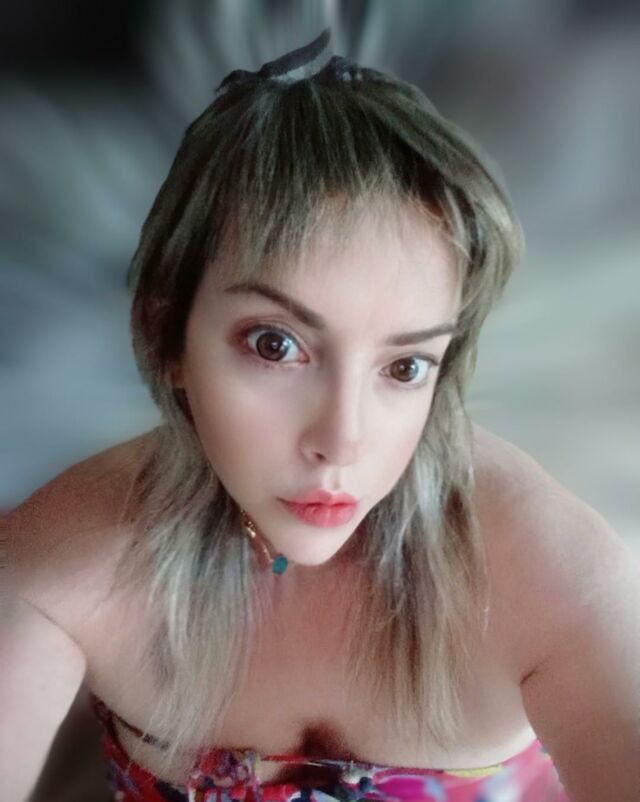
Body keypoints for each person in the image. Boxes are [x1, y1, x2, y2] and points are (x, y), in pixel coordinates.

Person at [3, 29, 639, 802]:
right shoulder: (65, 560)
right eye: (276, 345)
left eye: (404, 366)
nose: (343, 441)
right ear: (165, 334)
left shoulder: (550, 574)